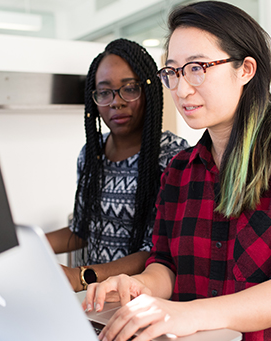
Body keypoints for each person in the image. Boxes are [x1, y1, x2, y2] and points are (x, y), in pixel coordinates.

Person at [83, 2, 271, 340]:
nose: (181, 89)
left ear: (246, 70)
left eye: (197, 68)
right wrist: (137, 286)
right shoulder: (180, 169)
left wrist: (188, 314)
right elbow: (166, 265)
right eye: (173, 72)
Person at [46, 38, 188, 292]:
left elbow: (157, 250)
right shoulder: (91, 154)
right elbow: (82, 230)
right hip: (97, 301)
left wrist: (81, 277)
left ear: (149, 91)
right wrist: (25, 246)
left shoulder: (173, 157)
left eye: (130, 88)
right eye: (104, 92)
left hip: (145, 300)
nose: (116, 102)